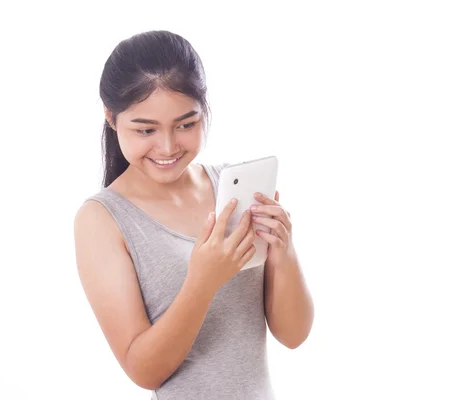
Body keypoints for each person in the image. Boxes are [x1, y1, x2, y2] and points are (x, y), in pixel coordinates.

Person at [73, 30, 314, 400]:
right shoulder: (102, 219)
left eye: (186, 124)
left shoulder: (233, 190)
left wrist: (284, 251)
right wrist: (202, 282)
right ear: (110, 116)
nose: (168, 147)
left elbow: (294, 335)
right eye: (145, 129)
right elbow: (144, 370)